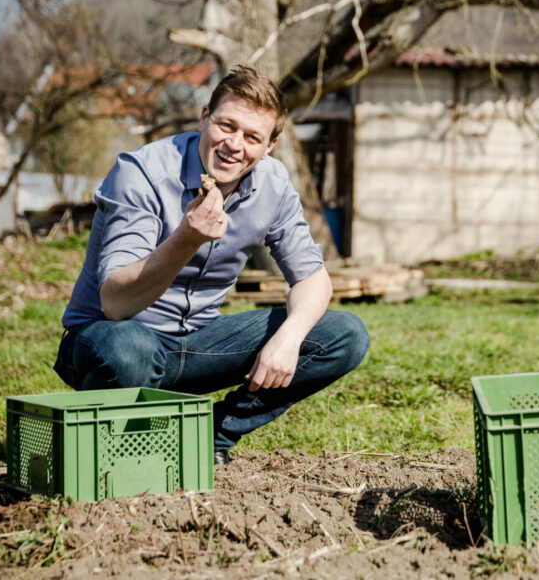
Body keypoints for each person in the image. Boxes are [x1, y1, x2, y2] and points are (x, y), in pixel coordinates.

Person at [55, 66, 369, 465]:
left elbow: (313, 279)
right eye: (227, 126)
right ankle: (130, 443)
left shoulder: (273, 185)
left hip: (199, 344)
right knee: (129, 349)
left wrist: (289, 337)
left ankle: (208, 437)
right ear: (205, 118)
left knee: (344, 334)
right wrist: (188, 237)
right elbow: (116, 302)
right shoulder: (143, 173)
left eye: (252, 137)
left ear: (269, 146)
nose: (234, 145)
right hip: (110, 342)